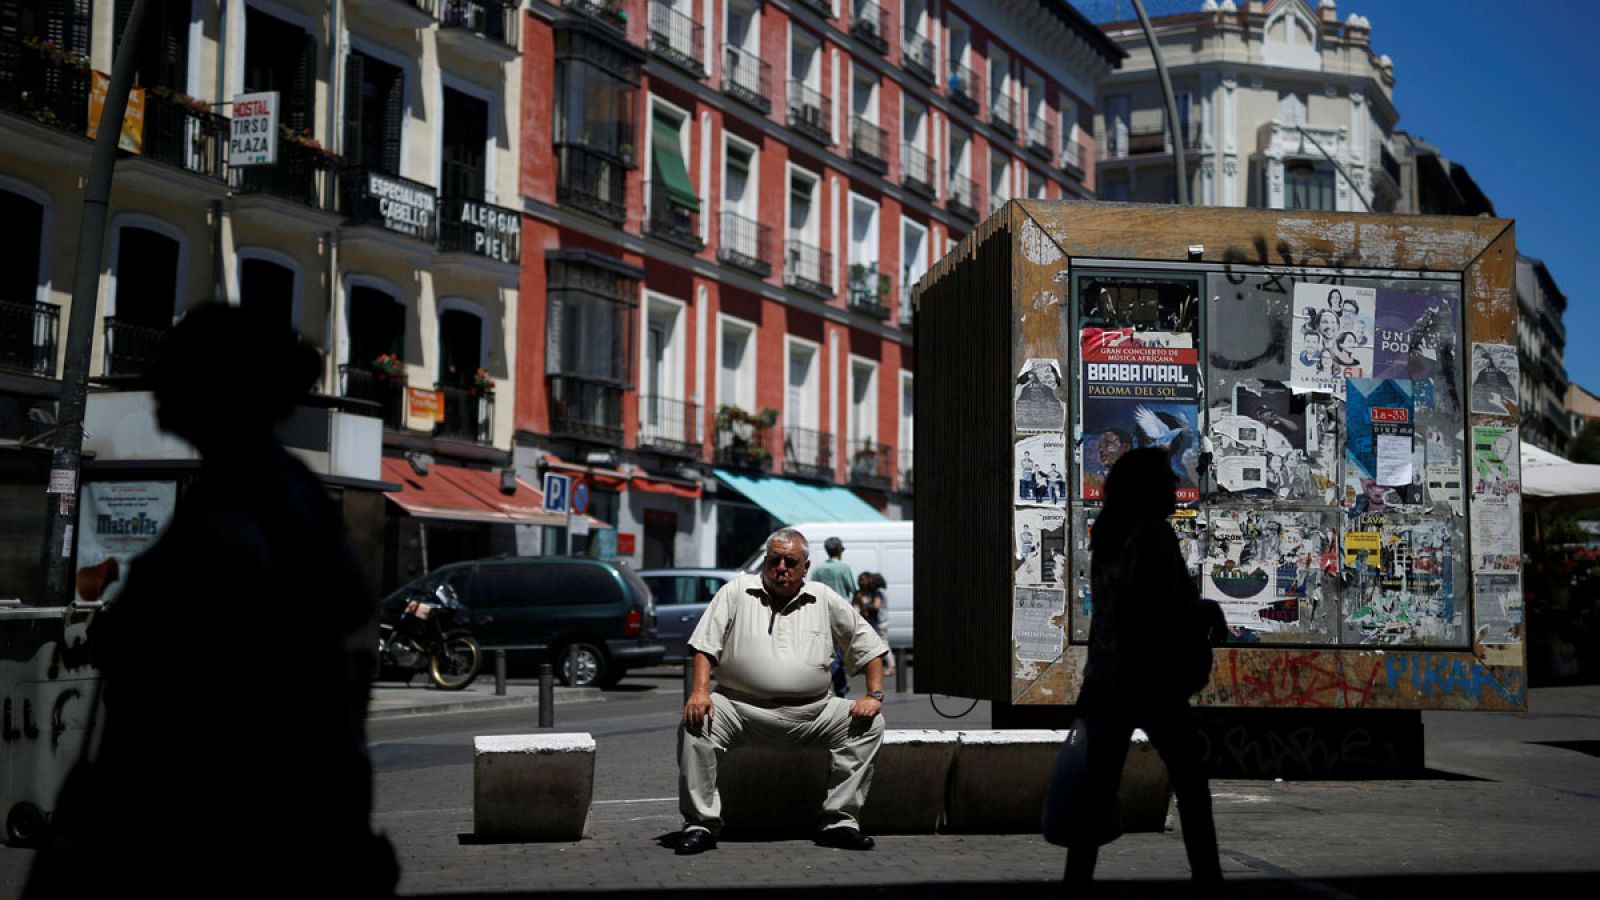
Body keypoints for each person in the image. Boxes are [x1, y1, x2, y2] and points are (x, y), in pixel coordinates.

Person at [27, 304, 396, 896]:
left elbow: (212, 689)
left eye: (174, 372)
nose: (159, 388)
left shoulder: (240, 515)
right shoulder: (285, 495)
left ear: (220, 390)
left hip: (219, 836)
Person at [1064, 447, 1223, 896]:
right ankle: (1210, 881)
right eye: (1168, 478)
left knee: (1096, 791)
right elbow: (1161, 608)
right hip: (1152, 681)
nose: (1176, 485)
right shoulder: (1154, 536)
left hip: (1107, 679)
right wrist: (1206, 610)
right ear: (1148, 487)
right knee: (1191, 784)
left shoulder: (1110, 534)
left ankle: (1075, 884)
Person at [674, 528, 889, 855]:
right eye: (775, 560)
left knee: (870, 725)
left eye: (791, 561)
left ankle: (839, 822)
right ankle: (701, 824)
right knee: (696, 722)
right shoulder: (737, 592)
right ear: (765, 562)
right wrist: (700, 692)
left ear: (806, 566)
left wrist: (874, 696)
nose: (782, 567)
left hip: (813, 713)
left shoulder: (824, 597)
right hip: (739, 709)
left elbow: (869, 647)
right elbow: (704, 646)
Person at [812, 536, 857, 697]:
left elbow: (812, 590)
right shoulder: (843, 568)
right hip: (840, 616)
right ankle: (836, 688)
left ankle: (835, 687)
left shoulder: (818, 569)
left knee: (826, 653)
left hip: (821, 615)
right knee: (838, 655)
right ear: (839, 550)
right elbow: (854, 590)